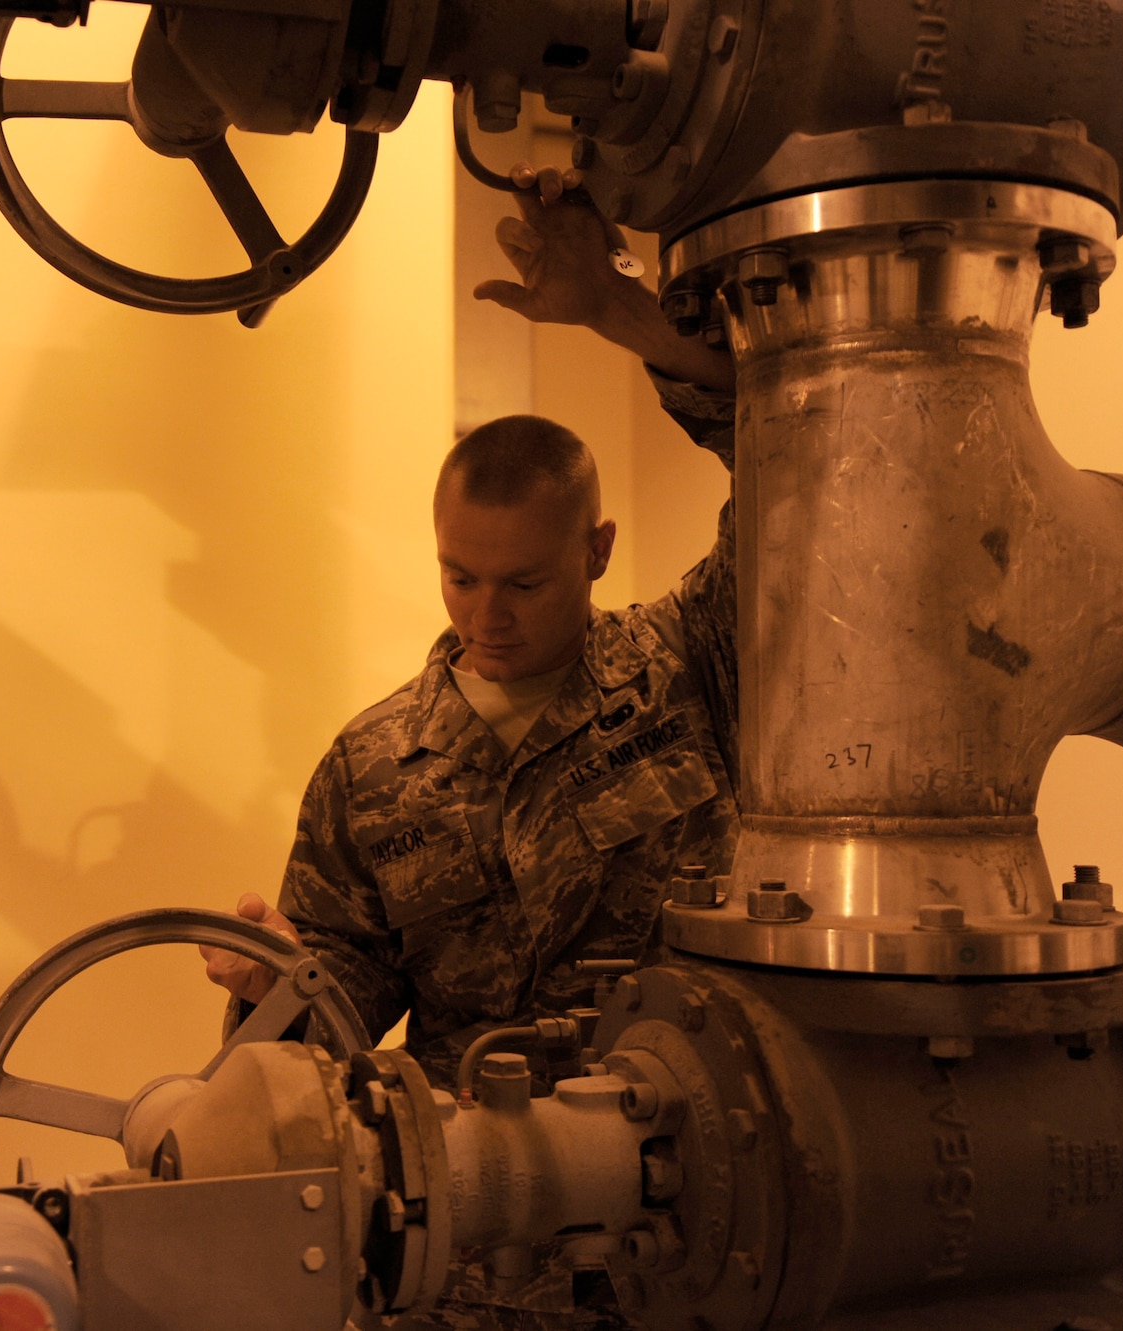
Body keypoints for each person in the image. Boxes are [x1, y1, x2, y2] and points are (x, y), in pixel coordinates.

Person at [199, 168, 740, 1327]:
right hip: (469, 1271)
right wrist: (270, 988)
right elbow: (325, 1046)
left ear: (595, 549)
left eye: (523, 582)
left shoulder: (691, 666)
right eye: (459, 575)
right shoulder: (374, 764)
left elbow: (804, 467)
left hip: (694, 1246)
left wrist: (625, 315)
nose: (483, 615)